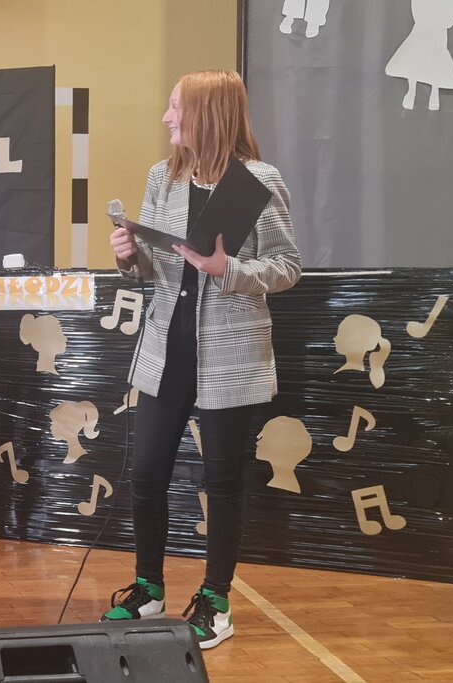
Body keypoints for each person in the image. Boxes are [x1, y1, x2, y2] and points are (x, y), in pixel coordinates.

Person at [104, 70, 302, 650]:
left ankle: (216, 601)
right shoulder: (161, 178)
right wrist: (128, 256)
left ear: (208, 114)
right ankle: (149, 588)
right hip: (166, 350)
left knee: (222, 480)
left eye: (176, 108)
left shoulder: (259, 180)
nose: (167, 118)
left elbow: (287, 267)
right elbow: (153, 270)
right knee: (146, 473)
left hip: (229, 353)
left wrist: (228, 270)